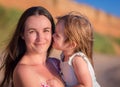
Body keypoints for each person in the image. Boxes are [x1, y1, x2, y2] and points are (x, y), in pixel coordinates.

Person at [0, 6, 64, 87]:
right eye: (32, 31)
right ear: (22, 34)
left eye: (46, 30)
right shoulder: (24, 71)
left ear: (53, 32)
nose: (40, 38)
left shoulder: (55, 63)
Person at [52, 12, 101, 87]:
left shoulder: (77, 60)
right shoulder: (64, 56)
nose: (52, 35)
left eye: (57, 35)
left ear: (71, 44)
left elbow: (86, 85)